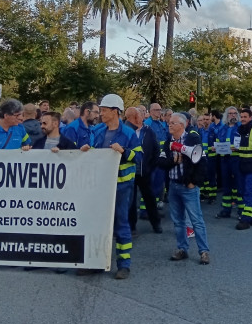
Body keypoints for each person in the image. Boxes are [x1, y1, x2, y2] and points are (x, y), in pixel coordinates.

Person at [90, 94, 140, 279]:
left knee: (121, 223)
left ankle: (123, 264)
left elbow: (139, 157)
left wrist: (124, 152)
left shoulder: (128, 133)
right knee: (98, 224)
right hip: (100, 185)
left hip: (121, 186)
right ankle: (95, 262)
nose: (100, 113)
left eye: (103, 110)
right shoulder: (97, 130)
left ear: (114, 111)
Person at [163, 112, 210, 265]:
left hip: (188, 186)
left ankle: (204, 251)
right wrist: (173, 161)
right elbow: (160, 162)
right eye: (169, 122)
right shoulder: (168, 141)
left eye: (172, 123)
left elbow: (202, 163)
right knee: (178, 221)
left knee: (196, 220)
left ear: (181, 125)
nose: (169, 125)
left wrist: (194, 182)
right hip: (173, 185)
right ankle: (182, 248)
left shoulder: (192, 139)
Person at [124, 106, 163, 235]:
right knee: (131, 200)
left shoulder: (148, 131)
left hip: (145, 172)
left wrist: (150, 168)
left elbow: (156, 150)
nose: (140, 118)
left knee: (150, 198)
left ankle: (156, 223)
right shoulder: (126, 131)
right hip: (130, 171)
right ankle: (131, 226)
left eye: (141, 115)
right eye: (138, 115)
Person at [215, 106, 241, 219]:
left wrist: (239, 148)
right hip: (224, 159)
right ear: (226, 115)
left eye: (235, 113)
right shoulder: (222, 128)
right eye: (230, 113)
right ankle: (226, 210)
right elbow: (217, 142)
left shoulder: (241, 128)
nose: (233, 115)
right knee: (226, 185)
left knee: (240, 185)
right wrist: (214, 148)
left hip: (237, 159)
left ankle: (241, 211)